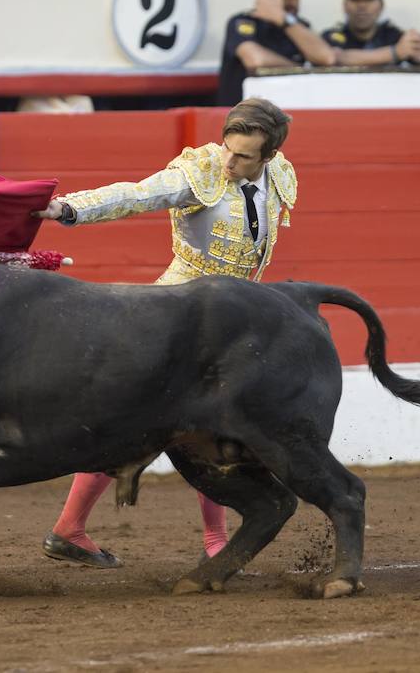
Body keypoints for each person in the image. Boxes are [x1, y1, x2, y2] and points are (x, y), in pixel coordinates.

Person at [32, 97, 300, 568]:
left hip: (232, 324)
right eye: (227, 148)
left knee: (216, 427)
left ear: (268, 157)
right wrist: (68, 208)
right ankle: (70, 528)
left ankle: (213, 537)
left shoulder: (280, 176)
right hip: (176, 320)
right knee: (132, 423)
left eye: (242, 157)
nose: (229, 161)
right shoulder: (201, 172)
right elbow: (136, 195)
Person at [216, 0, 337, 106]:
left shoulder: (299, 26)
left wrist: (284, 20)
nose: (292, 1)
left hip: (284, 115)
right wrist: (299, 69)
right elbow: (256, 60)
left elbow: (327, 58)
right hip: (240, 119)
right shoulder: (243, 21)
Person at [320, 0, 420, 65]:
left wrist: (419, 47)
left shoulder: (392, 35)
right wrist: (395, 53)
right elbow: (335, 57)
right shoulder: (333, 36)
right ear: (344, 5)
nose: (362, 5)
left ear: (381, 5)